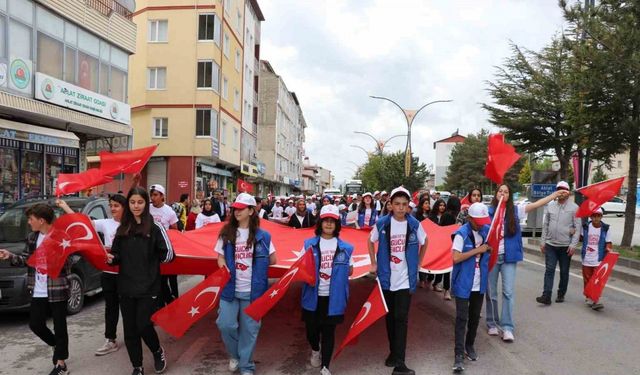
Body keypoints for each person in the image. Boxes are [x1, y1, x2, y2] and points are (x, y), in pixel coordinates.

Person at [486, 184, 568, 342]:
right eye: (500, 191)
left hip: (509, 257)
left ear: (509, 196)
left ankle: (508, 327)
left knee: (508, 292)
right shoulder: (488, 212)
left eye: (506, 191)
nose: (503, 193)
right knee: (491, 293)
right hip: (491, 257)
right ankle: (492, 323)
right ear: (496, 194)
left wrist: (554, 195)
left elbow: (537, 204)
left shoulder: (515, 211)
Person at [107, 187, 174, 375]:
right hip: (126, 287)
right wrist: (112, 258)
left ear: (146, 204)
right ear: (128, 204)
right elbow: (116, 255)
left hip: (149, 287)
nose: (136, 206)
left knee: (143, 324)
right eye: (133, 202)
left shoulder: (155, 227)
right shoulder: (123, 228)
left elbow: (169, 254)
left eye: (140, 202)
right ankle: (137, 367)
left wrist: (151, 261)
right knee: (130, 330)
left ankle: (157, 351)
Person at [0, 204, 71, 375]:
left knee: (60, 325)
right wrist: (10, 256)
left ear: (41, 220)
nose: (29, 222)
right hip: (38, 289)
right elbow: (26, 259)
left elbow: (68, 261)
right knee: (35, 324)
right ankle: (57, 345)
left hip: (56, 287)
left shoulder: (60, 237)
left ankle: (61, 364)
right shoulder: (32, 237)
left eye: (31, 219)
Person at [57, 195, 127, 357]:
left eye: (116, 205)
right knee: (111, 308)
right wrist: (65, 207)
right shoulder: (106, 223)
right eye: (111, 205)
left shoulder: (132, 225)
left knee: (129, 308)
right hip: (109, 274)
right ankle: (111, 340)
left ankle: (134, 336)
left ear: (124, 207)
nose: (113, 208)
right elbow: (83, 223)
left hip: (127, 275)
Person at [368, 186, 428, 375]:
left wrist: (418, 263)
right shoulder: (383, 223)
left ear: (408, 206)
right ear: (391, 205)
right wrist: (373, 263)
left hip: (404, 280)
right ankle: (393, 354)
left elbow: (425, 242)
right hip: (386, 278)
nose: (401, 208)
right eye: (397, 204)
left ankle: (400, 364)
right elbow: (370, 241)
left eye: (404, 204)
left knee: (401, 319)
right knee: (390, 318)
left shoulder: (415, 224)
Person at [216, 193, 277, 375]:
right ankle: (235, 356)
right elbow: (219, 258)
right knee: (225, 324)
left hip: (254, 291)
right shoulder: (226, 233)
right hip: (230, 289)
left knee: (249, 331)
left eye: (242, 208)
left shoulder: (263, 236)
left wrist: (258, 262)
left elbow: (273, 259)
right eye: (235, 208)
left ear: (251, 211)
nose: (237, 211)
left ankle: (246, 366)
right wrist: (225, 266)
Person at [301, 205, 354, 375]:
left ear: (337, 224)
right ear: (320, 223)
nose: (329, 224)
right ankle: (315, 349)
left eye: (333, 221)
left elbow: (351, 270)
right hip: (312, 296)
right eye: (326, 221)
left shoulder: (346, 248)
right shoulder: (309, 244)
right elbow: (301, 267)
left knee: (329, 332)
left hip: (334, 298)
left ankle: (326, 366)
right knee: (312, 331)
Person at [451, 203, 492, 373]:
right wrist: (477, 250)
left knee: (475, 317)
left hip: (479, 283)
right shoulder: (461, 234)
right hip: (463, 282)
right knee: (462, 318)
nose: (482, 224)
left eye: (483, 220)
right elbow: (455, 258)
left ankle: (470, 345)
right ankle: (458, 355)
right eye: (478, 221)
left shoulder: (485, 231)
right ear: (469, 219)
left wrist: (487, 248)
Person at [535, 181, 580, 306]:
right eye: (559, 189)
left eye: (563, 190)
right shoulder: (550, 206)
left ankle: (561, 293)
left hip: (565, 246)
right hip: (550, 245)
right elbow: (545, 225)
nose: (561, 192)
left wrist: (573, 245)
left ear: (568, 192)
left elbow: (577, 228)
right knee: (549, 270)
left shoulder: (574, 208)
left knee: (564, 271)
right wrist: (543, 241)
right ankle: (546, 295)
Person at [149, 184, 179, 306]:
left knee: (169, 278)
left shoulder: (169, 212)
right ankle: (161, 306)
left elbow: (175, 232)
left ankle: (174, 301)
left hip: (165, 250)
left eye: (155, 195)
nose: (152, 197)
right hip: (151, 250)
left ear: (162, 196)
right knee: (158, 280)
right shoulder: (148, 209)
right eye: (151, 195)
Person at [580, 208, 612, 311]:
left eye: (598, 216)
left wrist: (609, 249)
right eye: (594, 216)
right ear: (591, 217)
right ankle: (588, 297)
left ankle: (595, 300)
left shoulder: (606, 228)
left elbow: (608, 242)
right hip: (587, 258)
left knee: (597, 280)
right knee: (587, 279)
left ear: (601, 217)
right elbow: (580, 238)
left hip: (599, 258)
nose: (596, 218)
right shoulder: (585, 227)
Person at [427, 198, 456, 300]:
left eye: (444, 205)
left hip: (447, 245)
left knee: (446, 268)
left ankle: (446, 290)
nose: (442, 207)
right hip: (436, 245)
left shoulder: (448, 216)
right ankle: (433, 281)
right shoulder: (431, 217)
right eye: (440, 205)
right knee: (438, 266)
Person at [413, 196, 430, 288]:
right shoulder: (416, 214)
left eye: (428, 203)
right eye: (426, 203)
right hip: (419, 239)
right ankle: (422, 280)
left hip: (428, 239)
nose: (428, 205)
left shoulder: (430, 215)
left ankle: (426, 278)